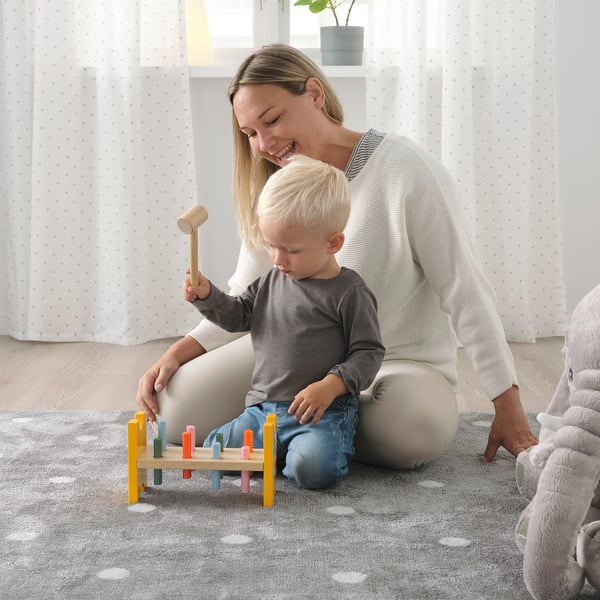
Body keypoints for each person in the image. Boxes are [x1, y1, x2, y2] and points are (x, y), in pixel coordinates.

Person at [136, 43, 538, 469]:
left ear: (314, 94)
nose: (264, 144)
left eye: (271, 120)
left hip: (391, 365)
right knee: (174, 415)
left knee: (409, 429)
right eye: (250, 133)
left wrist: (508, 407)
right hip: (289, 363)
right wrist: (178, 352)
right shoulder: (278, 186)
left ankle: (304, 432)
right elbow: (246, 297)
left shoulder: (407, 171)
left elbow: (465, 291)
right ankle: (311, 435)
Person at [182, 155, 384, 489]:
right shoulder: (271, 280)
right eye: (271, 246)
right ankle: (275, 451)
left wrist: (329, 387)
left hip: (321, 414)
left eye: (289, 249)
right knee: (213, 451)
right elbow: (237, 315)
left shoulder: (350, 292)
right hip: (264, 411)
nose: (277, 258)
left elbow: (369, 353)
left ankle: (289, 454)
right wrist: (207, 296)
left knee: (314, 470)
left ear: (332, 243)